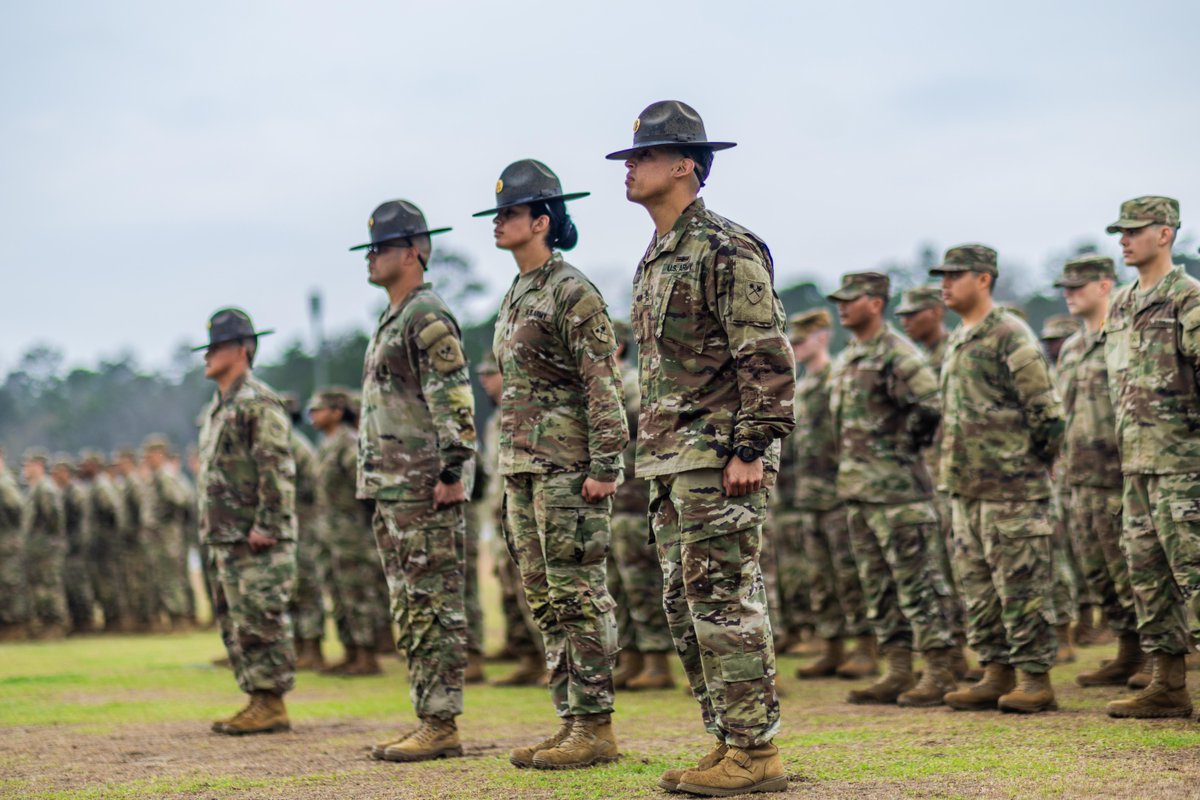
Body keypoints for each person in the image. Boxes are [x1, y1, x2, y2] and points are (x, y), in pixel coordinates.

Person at [614, 100, 794, 796]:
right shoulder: (657, 256)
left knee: (723, 603)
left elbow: (764, 355)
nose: (631, 167)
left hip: (720, 458)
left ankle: (756, 752)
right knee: (687, 609)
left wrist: (750, 448)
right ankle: (728, 737)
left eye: (645, 156)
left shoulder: (725, 247)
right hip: (673, 460)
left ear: (685, 165)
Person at [479, 159, 628, 770]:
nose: (498, 222)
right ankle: (571, 719)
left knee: (578, 594)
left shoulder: (572, 290)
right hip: (523, 468)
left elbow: (602, 382)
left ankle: (596, 725)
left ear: (542, 221)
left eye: (510, 213)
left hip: (568, 468)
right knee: (543, 597)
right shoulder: (518, 292)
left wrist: (605, 465)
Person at [352, 200, 476, 762]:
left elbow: (453, 396)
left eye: (380, 248)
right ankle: (428, 715)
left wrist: (452, 469)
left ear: (412, 253)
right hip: (394, 488)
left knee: (433, 603)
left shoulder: (425, 314)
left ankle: (441, 722)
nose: (371, 257)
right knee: (409, 604)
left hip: (425, 485)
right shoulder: (394, 316)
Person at [934, 245, 1064, 714]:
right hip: (967, 488)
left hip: (1012, 489)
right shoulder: (960, 337)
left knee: (1022, 586)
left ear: (984, 279)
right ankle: (995, 671)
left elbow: (1046, 411)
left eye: (955, 275)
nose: (945, 284)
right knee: (979, 587)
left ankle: (1034, 679)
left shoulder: (1009, 333)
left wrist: (1029, 464)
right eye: (942, 276)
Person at [827, 272, 958, 707]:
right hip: (859, 491)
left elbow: (930, 405)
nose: (842, 306)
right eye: (840, 300)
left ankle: (939, 670)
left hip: (899, 494)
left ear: (876, 303)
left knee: (919, 584)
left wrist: (903, 449)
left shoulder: (896, 353)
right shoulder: (849, 355)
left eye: (851, 299)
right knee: (878, 588)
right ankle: (898, 669)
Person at [1102, 196, 1199, 720]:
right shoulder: (1120, 304)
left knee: (1195, 573)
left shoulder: (1188, 298)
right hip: (1136, 464)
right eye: (1121, 231)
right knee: (1147, 576)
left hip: (1184, 466)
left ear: (1165, 234)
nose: (1124, 239)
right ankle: (1167, 684)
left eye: (1134, 230)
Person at [195, 307, 298, 735]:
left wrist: (268, 524)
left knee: (261, 616)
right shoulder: (218, 407)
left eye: (216, 347)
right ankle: (257, 697)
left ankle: (271, 702)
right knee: (236, 621)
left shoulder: (257, 402)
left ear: (242, 349)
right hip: (226, 535)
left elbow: (276, 467)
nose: (207, 356)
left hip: (254, 535)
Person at [1051, 255, 1144, 688]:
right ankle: (1127, 651)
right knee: (1098, 574)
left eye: (1078, 287)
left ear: (1105, 286)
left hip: (1118, 475)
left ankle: (1156, 656)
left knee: (1132, 571)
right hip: (1078, 479)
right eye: (1066, 288)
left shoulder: (1125, 336)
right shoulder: (1072, 347)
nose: (1069, 294)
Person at [788, 309, 875, 681]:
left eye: (801, 341)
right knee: (820, 577)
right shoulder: (803, 385)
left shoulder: (836, 378)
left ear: (822, 337)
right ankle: (832, 646)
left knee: (849, 573)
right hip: (811, 494)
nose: (795, 348)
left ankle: (866, 647)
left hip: (839, 493)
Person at [895, 285, 974, 680]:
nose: (906, 321)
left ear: (936, 312)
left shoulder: (954, 351)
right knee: (938, 566)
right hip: (926, 476)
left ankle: (970, 652)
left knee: (959, 566)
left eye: (914, 313)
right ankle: (954, 654)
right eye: (902, 316)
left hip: (955, 474)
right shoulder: (918, 358)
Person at [608, 318, 675, 691]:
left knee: (641, 584)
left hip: (635, 503)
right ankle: (631, 657)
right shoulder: (606, 388)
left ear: (617, 347)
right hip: (612, 504)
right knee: (617, 586)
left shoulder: (634, 388)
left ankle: (656, 662)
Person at [477, 352, 546, 685]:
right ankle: (529, 658)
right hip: (501, 513)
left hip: (527, 512)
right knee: (509, 585)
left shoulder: (530, 411)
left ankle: (553, 661)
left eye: (491, 373)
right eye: (482, 375)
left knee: (536, 586)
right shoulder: (495, 419)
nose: (484, 381)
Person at [309, 387, 384, 677]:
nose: (312, 415)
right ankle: (350, 652)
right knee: (338, 594)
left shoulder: (349, 443)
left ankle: (367, 656)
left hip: (351, 534)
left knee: (358, 594)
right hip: (329, 533)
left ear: (337, 412)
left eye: (318, 409)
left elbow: (367, 488)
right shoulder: (326, 444)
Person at [1040, 314, 1092, 661]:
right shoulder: (1051, 373)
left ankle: (1079, 626)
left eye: (1057, 339)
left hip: (1091, 471)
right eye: (1048, 341)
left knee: (1069, 553)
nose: (1052, 346)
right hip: (1062, 474)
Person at [280, 394, 326, 670]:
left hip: (305, 526)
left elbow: (313, 490)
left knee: (307, 586)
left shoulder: (298, 447)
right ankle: (298, 645)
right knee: (292, 587)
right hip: (290, 525)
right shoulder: (282, 444)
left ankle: (313, 647)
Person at [142, 435, 192, 630]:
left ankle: (179, 617)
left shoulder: (165, 475)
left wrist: (165, 517)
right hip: (160, 535)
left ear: (160, 454)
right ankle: (174, 616)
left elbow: (180, 500)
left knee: (171, 576)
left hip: (166, 534)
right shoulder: (158, 475)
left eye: (150, 454)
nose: (147, 458)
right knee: (164, 576)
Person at [78, 450, 127, 632]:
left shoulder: (101, 485)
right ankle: (110, 619)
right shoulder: (95, 485)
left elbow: (113, 511)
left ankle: (115, 620)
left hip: (106, 545)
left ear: (94, 465)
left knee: (108, 582)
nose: (82, 468)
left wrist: (109, 536)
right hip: (99, 544)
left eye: (86, 464)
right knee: (102, 583)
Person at [22, 448, 68, 639]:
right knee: (41, 587)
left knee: (50, 585)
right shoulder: (35, 488)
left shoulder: (45, 489)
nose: (25, 469)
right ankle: (45, 623)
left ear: (38, 465)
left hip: (47, 548)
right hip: (38, 548)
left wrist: (49, 542)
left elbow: (54, 520)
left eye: (28, 465)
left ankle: (56, 624)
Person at [51, 454, 94, 633]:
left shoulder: (76, 492)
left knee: (78, 583)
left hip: (77, 545)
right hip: (70, 544)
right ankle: (77, 620)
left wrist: (78, 543)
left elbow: (82, 521)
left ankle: (85, 621)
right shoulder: (64, 492)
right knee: (70, 583)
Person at [0, 446, 28, 640]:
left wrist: (14, 535)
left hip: (8, 544)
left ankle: (15, 627)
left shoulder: (5, 484)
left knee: (11, 584)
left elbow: (18, 511)